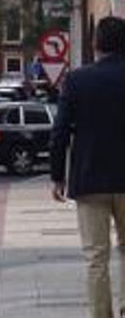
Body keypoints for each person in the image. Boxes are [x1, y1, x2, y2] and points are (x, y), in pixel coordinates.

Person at [51, 17, 125, 318]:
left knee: (96, 257)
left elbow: (60, 131)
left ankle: (101, 314)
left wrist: (57, 176)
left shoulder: (77, 80)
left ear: (95, 44)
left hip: (90, 179)